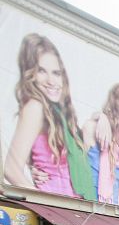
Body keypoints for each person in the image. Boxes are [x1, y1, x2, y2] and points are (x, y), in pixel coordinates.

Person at [4, 34, 95, 199]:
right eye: (41, 71)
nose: (51, 81)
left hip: (71, 208)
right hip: (56, 212)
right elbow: (11, 169)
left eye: (56, 73)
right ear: (31, 74)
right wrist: (44, 202)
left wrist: (99, 117)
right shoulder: (35, 106)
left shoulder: (58, 113)